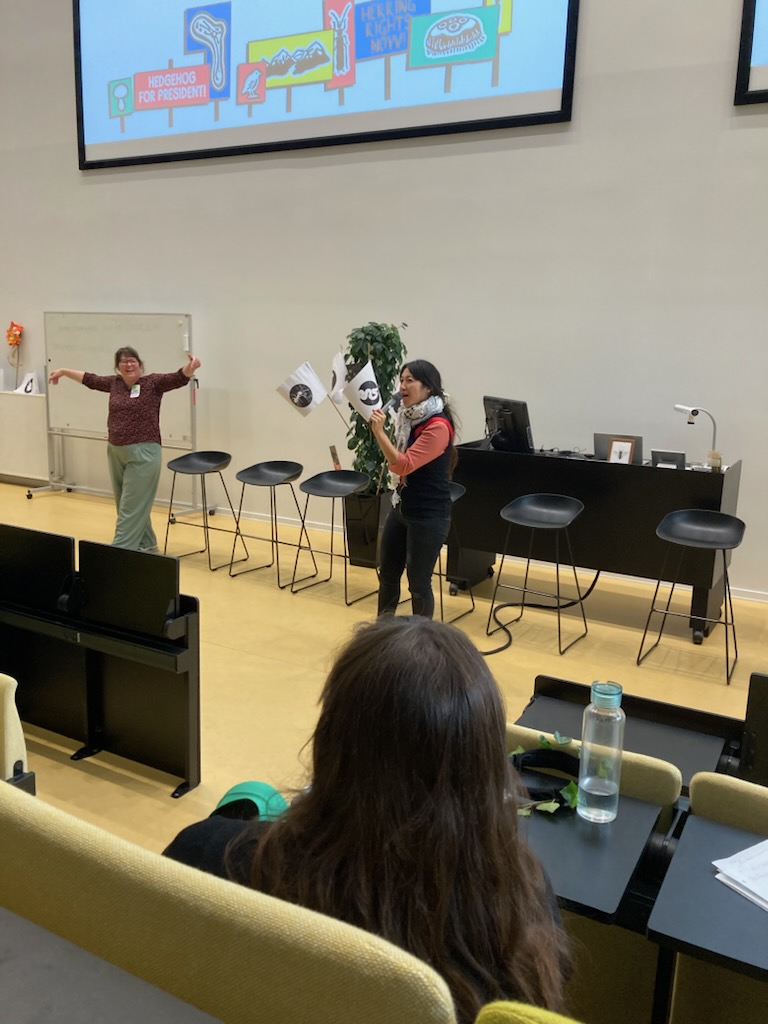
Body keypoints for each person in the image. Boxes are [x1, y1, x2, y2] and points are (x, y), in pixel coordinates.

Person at [163, 616, 571, 1023]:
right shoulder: (525, 910)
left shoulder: (207, 857)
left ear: (330, 742)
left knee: (251, 795)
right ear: (486, 768)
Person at [48, 348, 201, 551]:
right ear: (117, 367)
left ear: (139, 364)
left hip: (144, 454)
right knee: (126, 504)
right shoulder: (115, 384)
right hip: (116, 452)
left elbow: (178, 378)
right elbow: (90, 380)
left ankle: (119, 552)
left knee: (130, 506)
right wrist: (64, 371)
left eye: (132, 361)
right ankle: (147, 544)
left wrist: (191, 367)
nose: (128, 365)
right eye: (123, 362)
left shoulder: (153, 383)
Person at [369, 359, 456, 618]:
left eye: (410, 380)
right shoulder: (408, 419)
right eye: (401, 380)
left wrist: (379, 433)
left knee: (418, 584)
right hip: (401, 507)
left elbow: (403, 465)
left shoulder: (438, 426)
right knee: (387, 574)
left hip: (428, 515)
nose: (402, 386)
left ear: (428, 387)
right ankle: (383, 632)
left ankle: (421, 640)